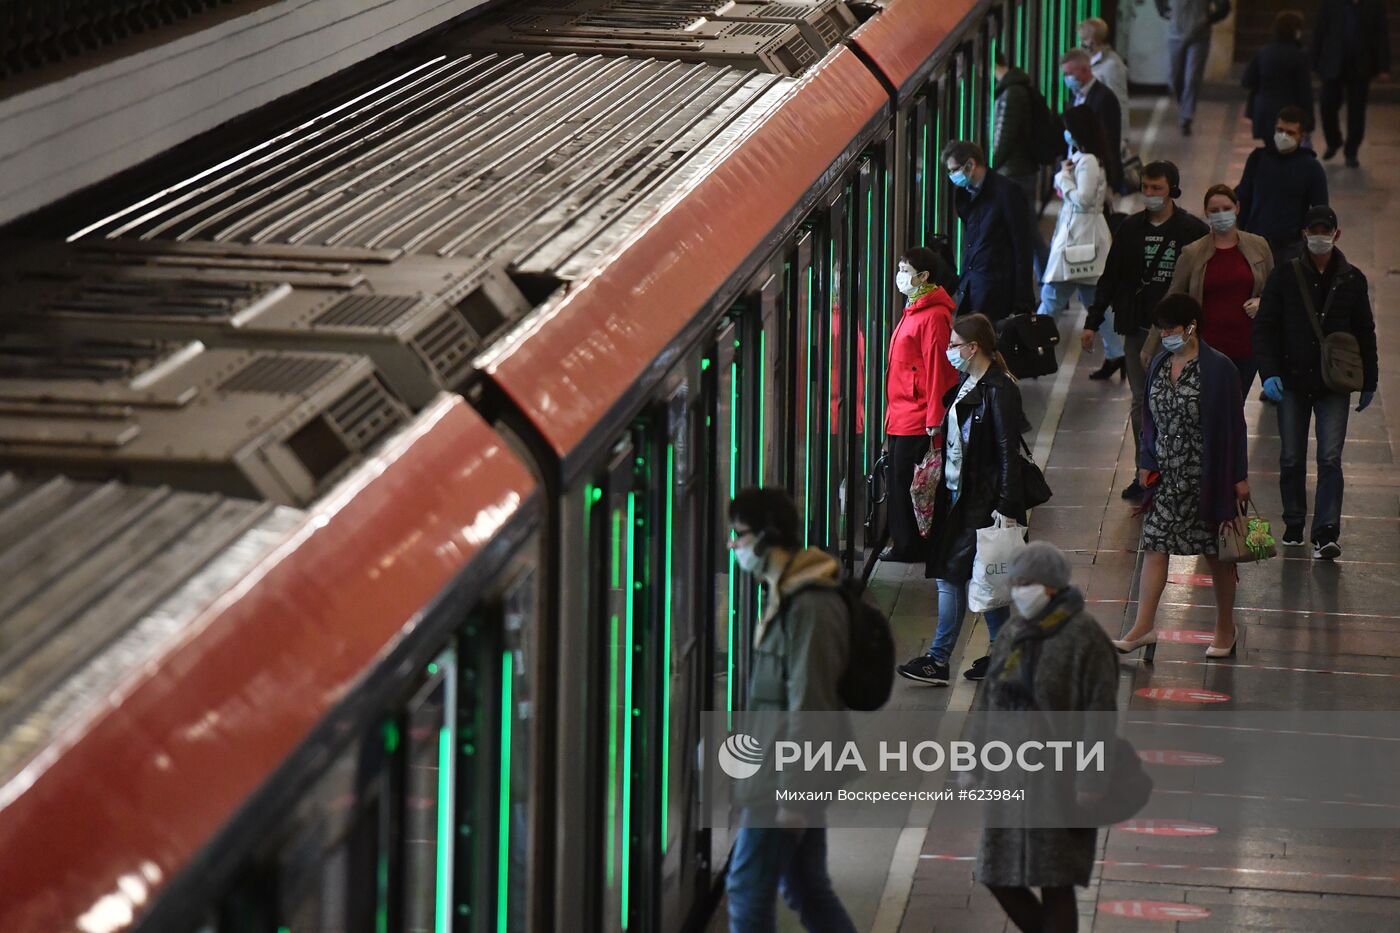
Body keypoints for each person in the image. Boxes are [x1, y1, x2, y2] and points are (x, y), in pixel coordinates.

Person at [725, 486, 858, 933]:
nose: (734, 546)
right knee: (806, 888)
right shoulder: (787, 594)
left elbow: (811, 704)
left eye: (739, 535)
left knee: (747, 891)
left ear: (765, 539)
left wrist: (795, 794)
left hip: (783, 779)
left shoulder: (811, 606)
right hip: (778, 770)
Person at [972, 542, 1118, 933]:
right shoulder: (1015, 631)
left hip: (1060, 781)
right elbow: (990, 696)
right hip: (1008, 779)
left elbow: (1099, 716)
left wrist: (1091, 780)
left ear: (1052, 586)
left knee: (1055, 879)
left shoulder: (1086, 638)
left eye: (1027, 582)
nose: (1019, 590)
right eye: (1016, 582)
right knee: (997, 873)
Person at [1114, 294, 1249, 660]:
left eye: (1170, 329)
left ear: (1191, 327)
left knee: (1216, 554)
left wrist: (1239, 476)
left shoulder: (1219, 369)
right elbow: (1149, 418)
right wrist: (1145, 460)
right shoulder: (1160, 363)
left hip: (1207, 477)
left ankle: (1225, 628)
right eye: (1161, 329)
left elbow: (1235, 426)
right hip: (1167, 478)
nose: (1164, 335)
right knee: (1155, 545)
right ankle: (1143, 626)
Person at [898, 314, 1029, 686]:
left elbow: (1006, 451)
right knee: (982, 577)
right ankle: (1002, 655)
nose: (949, 351)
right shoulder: (967, 382)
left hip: (980, 499)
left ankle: (939, 659)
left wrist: (1007, 506)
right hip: (958, 494)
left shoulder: (999, 389)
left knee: (955, 574)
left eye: (954, 345)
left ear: (974, 348)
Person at [1254, 205, 1379, 558]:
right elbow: (1265, 326)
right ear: (1304, 234)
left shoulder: (1352, 279)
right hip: (1292, 381)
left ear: (1336, 234)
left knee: (1329, 457)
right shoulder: (1285, 276)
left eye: (1327, 230)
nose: (1320, 236)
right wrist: (1270, 373)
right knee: (1291, 457)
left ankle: (1326, 531)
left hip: (1333, 385)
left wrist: (1369, 379)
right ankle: (1294, 521)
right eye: (1314, 230)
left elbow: (1365, 332)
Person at [1082, 162, 1208, 500]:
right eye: (1146, 188)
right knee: (1142, 402)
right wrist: (1092, 322)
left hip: (1179, 335)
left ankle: (1180, 470)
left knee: (1180, 403)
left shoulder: (1191, 230)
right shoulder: (1130, 229)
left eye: (1157, 188)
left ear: (1172, 189)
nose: (1150, 195)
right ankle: (1146, 471)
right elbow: (1110, 276)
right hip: (1138, 327)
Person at [882, 248, 959, 562]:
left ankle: (910, 545)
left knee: (907, 482)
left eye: (905, 268)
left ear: (924, 276)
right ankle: (907, 542)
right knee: (900, 478)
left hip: (918, 415)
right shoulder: (914, 307)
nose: (901, 274)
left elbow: (939, 369)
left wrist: (935, 417)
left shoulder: (934, 315)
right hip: (901, 412)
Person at [1169, 184, 1275, 394]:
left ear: (1237, 207)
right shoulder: (1193, 253)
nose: (1221, 215)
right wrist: (1153, 346)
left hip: (1246, 347)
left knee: (1235, 409)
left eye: (1226, 208)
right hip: (1206, 349)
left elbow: (1275, 289)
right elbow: (1172, 299)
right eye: (1214, 211)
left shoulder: (1259, 246)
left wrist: (1263, 301)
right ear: (1206, 212)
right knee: (1210, 408)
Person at [1038, 107, 1120, 370]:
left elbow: (1083, 199)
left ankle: (1031, 350)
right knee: (1095, 300)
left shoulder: (1087, 161)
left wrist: (1063, 178)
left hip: (1078, 240)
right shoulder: (1085, 158)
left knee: (1052, 297)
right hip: (1087, 240)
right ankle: (1116, 354)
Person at [944, 140, 1035, 321]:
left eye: (954, 170)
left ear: (971, 164)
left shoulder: (1007, 192)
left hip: (997, 292)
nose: (952, 176)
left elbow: (1022, 248)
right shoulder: (965, 193)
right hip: (972, 287)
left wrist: (1022, 301)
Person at [1236, 106, 1329, 264]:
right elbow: (1244, 196)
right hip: (1255, 243)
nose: (1283, 136)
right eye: (1279, 130)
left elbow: (1320, 210)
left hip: (1290, 247)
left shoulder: (1311, 168)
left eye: (1290, 132)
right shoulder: (1258, 158)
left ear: (1302, 136)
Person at [991, 52, 1051, 282]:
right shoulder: (1017, 87)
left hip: (1015, 173)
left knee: (1027, 233)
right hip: (1022, 170)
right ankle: (1048, 280)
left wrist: (989, 168)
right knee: (1027, 231)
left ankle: (1049, 281)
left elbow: (1004, 137)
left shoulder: (1011, 94)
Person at [1312, 0, 1392, 167]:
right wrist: (1314, 60)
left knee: (1357, 111)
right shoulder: (1331, 4)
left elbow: (1381, 35)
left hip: (1361, 65)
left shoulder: (1374, 5)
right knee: (1327, 105)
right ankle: (1334, 141)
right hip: (1334, 62)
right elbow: (1319, 31)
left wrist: (1384, 66)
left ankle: (1352, 151)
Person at [1157, 0, 1232, 135]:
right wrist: (1163, 11)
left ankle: (1187, 116)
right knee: (1175, 77)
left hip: (1200, 36)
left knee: (1192, 77)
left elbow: (1224, 6)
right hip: (1176, 33)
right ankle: (1183, 105)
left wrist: (1209, 18)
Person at [1242, 11, 1315, 143]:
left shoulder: (1264, 52)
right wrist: (1309, 122)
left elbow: (1247, 80)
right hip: (1289, 116)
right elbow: (1305, 92)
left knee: (1270, 150)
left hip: (1264, 113)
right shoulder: (1299, 56)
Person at [1059, 48, 1122, 184]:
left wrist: (1109, 179)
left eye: (1069, 73)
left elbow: (1109, 140)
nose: (1066, 78)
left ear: (1085, 70)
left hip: (1093, 173)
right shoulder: (1073, 96)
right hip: (1075, 167)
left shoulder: (1105, 98)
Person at [1077, 17, 1130, 118]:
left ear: (1093, 40)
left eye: (1083, 39)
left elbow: (1118, 103)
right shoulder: (1089, 61)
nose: (1081, 43)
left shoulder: (1112, 65)